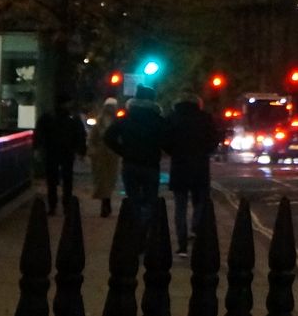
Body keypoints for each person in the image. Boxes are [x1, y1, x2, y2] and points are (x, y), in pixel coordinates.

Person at [163, 92, 218, 255]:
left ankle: (182, 245)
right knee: (200, 202)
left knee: (180, 206)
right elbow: (214, 140)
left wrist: (174, 152)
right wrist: (205, 151)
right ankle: (196, 231)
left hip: (179, 166)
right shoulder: (205, 118)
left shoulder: (172, 117)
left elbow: (165, 141)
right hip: (200, 166)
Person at [105, 85, 167, 224]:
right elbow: (167, 139)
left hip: (130, 163)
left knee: (133, 199)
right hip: (151, 164)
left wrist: (123, 151)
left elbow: (108, 137)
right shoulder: (158, 120)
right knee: (150, 200)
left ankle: (135, 228)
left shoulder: (127, 119)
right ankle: (147, 229)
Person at [38, 100, 86, 216]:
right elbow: (80, 134)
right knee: (67, 180)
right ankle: (66, 205)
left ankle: (53, 206)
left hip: (52, 152)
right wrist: (81, 151)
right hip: (67, 152)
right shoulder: (73, 118)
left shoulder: (48, 117)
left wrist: (38, 148)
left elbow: (40, 133)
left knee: (52, 181)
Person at [89, 97, 123, 217]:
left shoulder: (117, 122)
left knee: (110, 180)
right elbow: (92, 139)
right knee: (102, 181)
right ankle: (105, 203)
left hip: (113, 156)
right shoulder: (99, 122)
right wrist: (93, 151)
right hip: (101, 156)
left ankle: (106, 202)